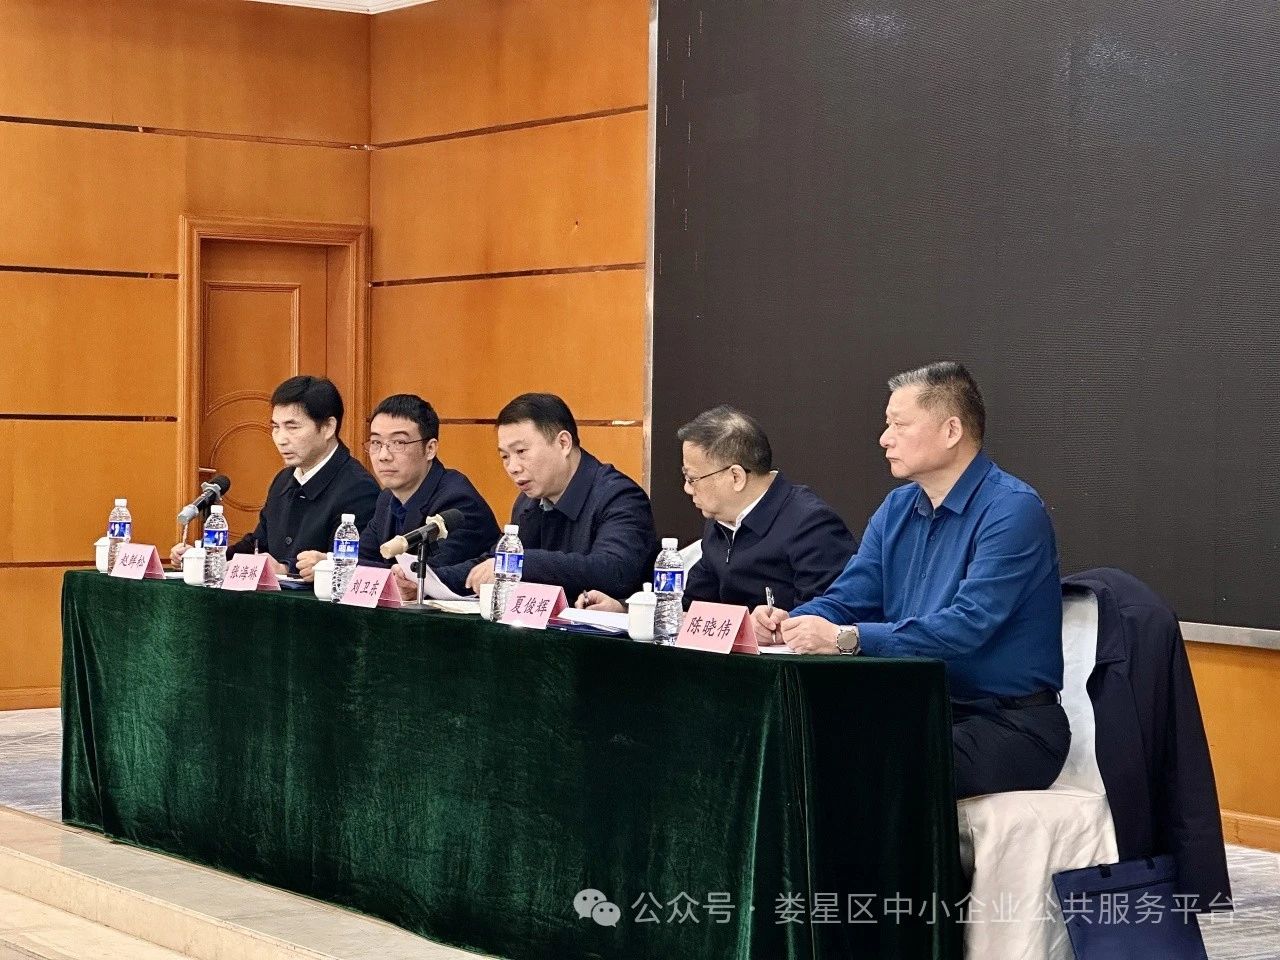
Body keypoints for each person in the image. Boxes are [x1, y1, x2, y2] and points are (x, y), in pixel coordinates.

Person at [752, 361, 1068, 798]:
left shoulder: (1013, 510)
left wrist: (847, 639)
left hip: (1007, 724)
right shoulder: (897, 508)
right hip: (917, 707)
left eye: (899, 425)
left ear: (951, 430)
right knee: (788, 744)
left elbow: (968, 625)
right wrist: (791, 624)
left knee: (869, 763)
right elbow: (848, 598)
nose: (885, 438)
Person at [577, 405, 855, 611]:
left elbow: (829, 615)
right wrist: (624, 609)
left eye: (692, 479)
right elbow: (691, 605)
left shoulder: (810, 524)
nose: (687, 489)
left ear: (736, 477)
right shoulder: (720, 523)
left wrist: (775, 627)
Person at [436, 393, 659, 601]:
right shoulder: (528, 502)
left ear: (563, 443)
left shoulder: (620, 497)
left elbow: (613, 570)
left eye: (521, 452)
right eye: (505, 456)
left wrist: (519, 563)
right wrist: (428, 581)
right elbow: (493, 562)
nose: (512, 467)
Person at [169, 375, 378, 580]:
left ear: (328, 428)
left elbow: (350, 567)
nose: (281, 439)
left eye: (292, 427)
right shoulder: (284, 480)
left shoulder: (358, 488)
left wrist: (286, 569)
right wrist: (207, 558)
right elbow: (258, 544)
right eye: (276, 427)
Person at [350, 393, 500, 601]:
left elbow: (426, 575)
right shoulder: (386, 499)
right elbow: (360, 559)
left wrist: (365, 571)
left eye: (398, 443)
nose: (383, 455)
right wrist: (334, 563)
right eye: (376, 443)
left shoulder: (457, 500)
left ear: (430, 449)